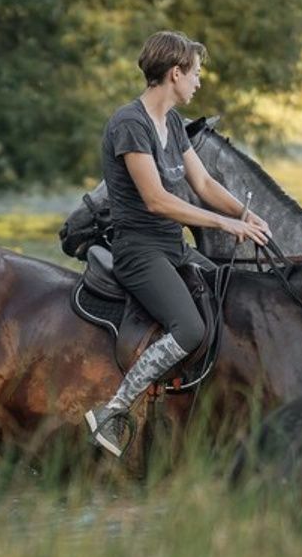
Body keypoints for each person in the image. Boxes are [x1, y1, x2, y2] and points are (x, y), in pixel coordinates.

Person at [84, 30, 271, 458]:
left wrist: (244, 215)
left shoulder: (171, 122)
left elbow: (203, 182)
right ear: (175, 73)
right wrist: (226, 224)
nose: (199, 83)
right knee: (190, 328)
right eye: (196, 74)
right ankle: (114, 412)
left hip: (172, 247)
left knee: (228, 296)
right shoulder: (129, 124)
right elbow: (157, 199)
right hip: (139, 251)